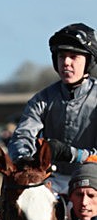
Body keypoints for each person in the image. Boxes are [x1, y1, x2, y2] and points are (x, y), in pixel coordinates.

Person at [8, 23, 97, 194]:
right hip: (51, 180)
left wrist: (71, 154)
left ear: (89, 61)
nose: (66, 63)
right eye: (62, 56)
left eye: (74, 57)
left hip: (91, 181)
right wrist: (24, 158)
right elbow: (22, 135)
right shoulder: (42, 99)